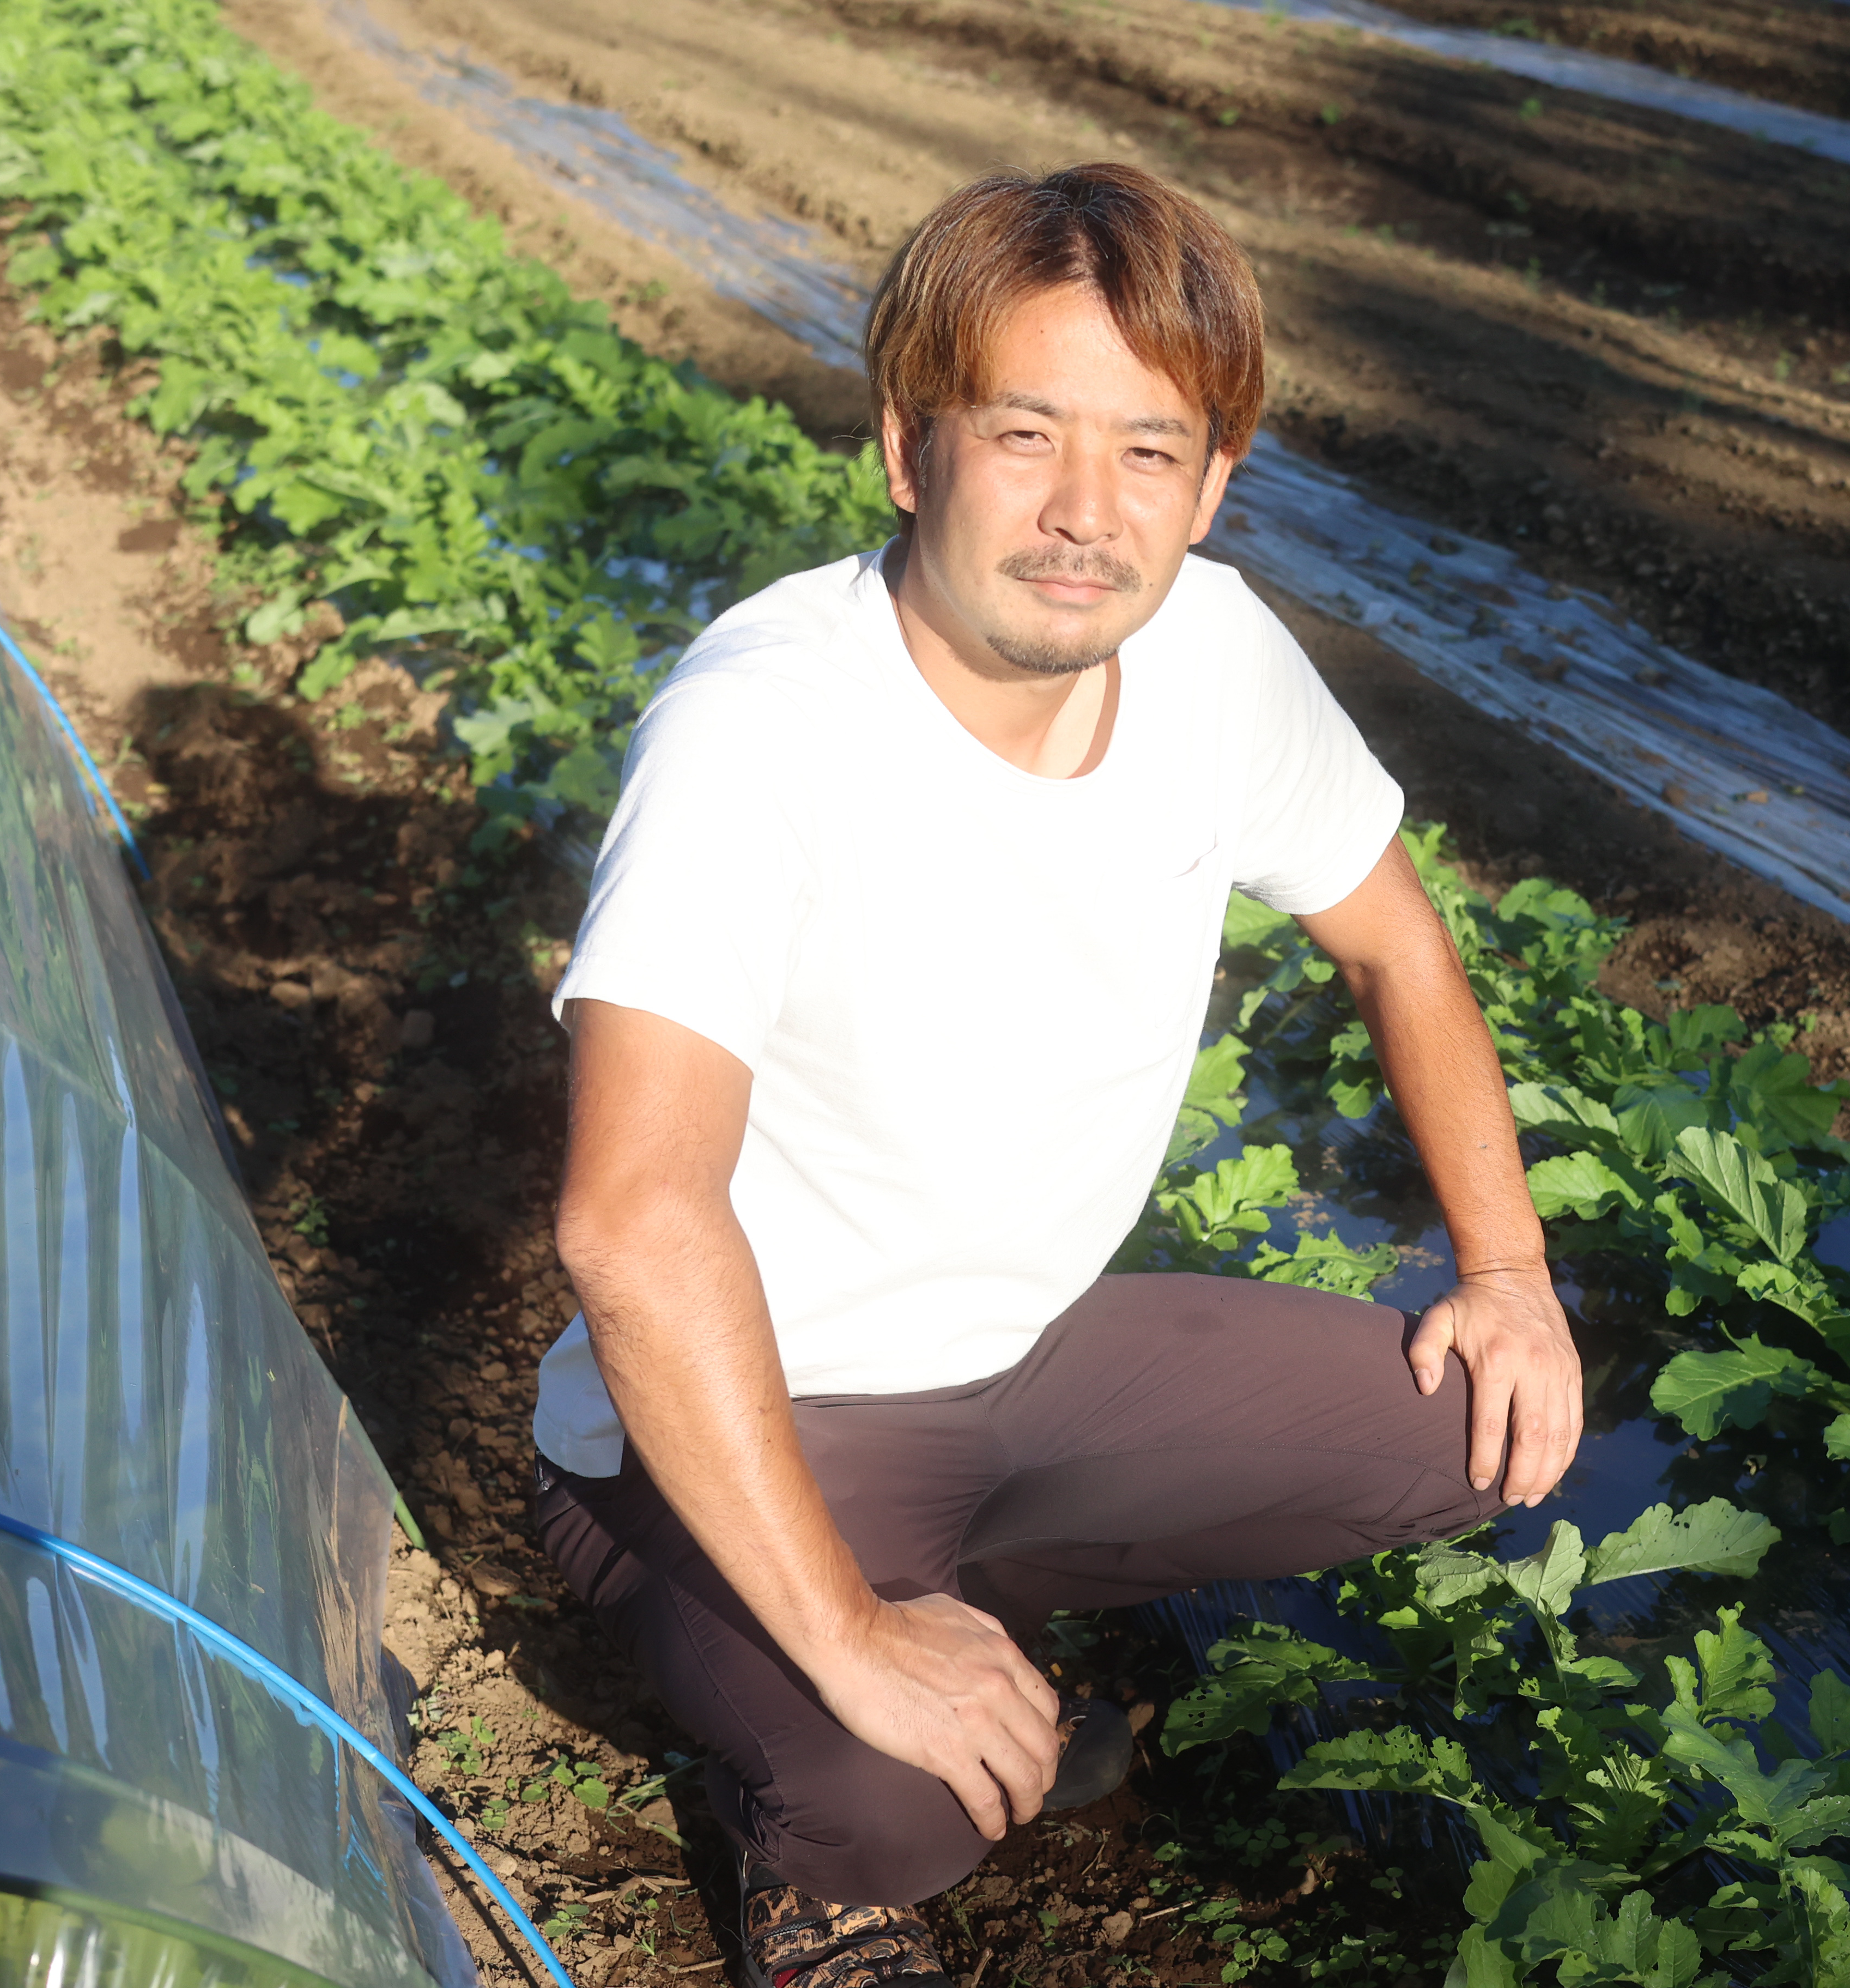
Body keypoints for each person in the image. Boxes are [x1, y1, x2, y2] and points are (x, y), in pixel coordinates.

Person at [530, 162, 1585, 1988]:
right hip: (742, 1418)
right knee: (893, 1799)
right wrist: (855, 1641)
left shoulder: (1216, 657)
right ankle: (808, 1828)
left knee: (1484, 1426)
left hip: (1029, 1363)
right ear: (908, 448)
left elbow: (1399, 945)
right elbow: (632, 1226)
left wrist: (1508, 1273)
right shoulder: (763, 726)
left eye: (1149, 450)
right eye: (1025, 434)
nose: (1087, 512)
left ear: (1212, 484)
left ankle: (952, 1601)